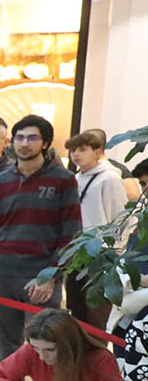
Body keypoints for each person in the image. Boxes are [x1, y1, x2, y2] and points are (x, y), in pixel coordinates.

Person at [0, 114, 82, 358]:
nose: (24, 143)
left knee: (45, 350)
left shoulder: (63, 180)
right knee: (5, 350)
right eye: (19, 137)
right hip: (0, 275)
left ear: (45, 143)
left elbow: (71, 234)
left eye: (32, 138)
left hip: (40, 278)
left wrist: (51, 276)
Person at [65, 127, 126, 329]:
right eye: (73, 150)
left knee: (97, 310)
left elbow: (121, 217)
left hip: (101, 254)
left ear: (97, 151)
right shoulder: (76, 178)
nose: (76, 155)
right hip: (77, 251)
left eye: (82, 149)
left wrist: (116, 253)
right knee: (76, 306)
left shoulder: (109, 178)